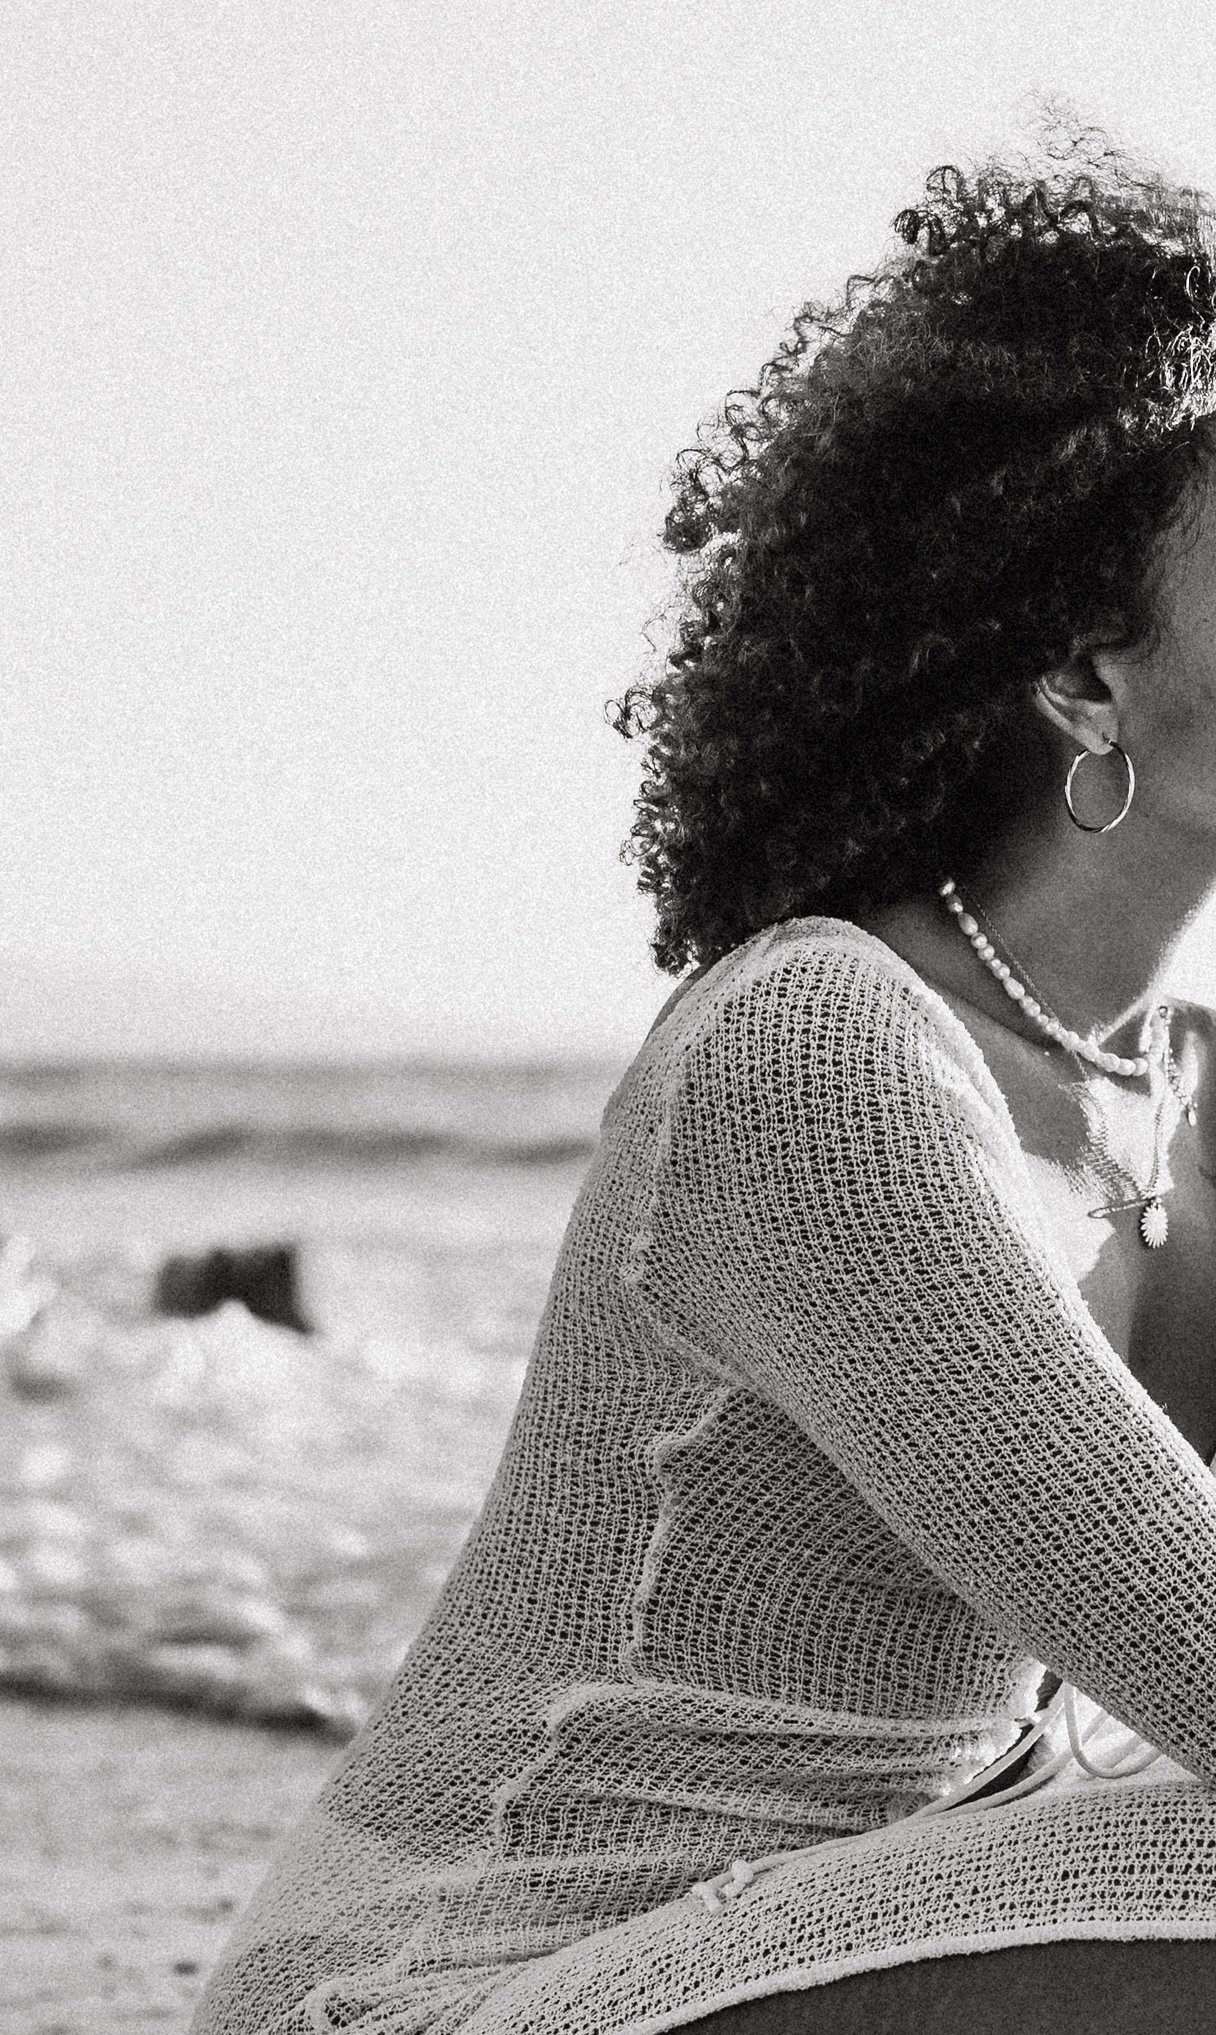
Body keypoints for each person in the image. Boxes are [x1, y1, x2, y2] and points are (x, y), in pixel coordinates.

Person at [193, 126, 1216, 2035]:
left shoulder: (1166, 1088)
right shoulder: (820, 1054)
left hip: (831, 1946)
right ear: (1087, 684)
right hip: (460, 1993)